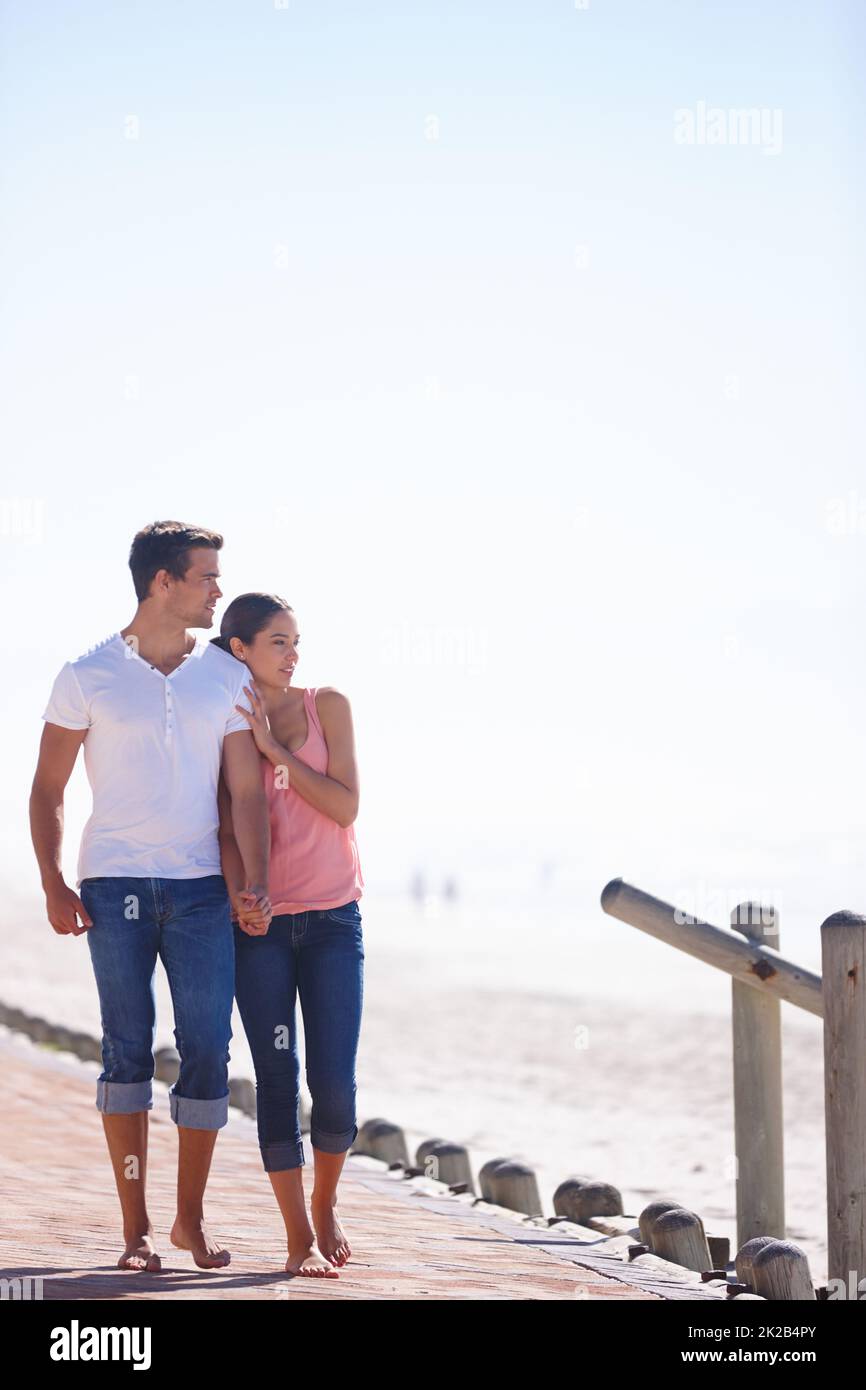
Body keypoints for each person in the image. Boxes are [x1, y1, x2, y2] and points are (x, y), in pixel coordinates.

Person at [28, 520, 271, 1274]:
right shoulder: (86, 674)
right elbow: (46, 788)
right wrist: (53, 882)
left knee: (207, 1051)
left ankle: (187, 1223)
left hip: (200, 889)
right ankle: (134, 1231)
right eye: (206, 577)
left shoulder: (225, 677)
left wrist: (252, 882)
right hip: (115, 883)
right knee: (126, 1051)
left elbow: (244, 793)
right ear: (162, 582)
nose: (218, 592)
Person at [213, 593, 364, 1278]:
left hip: (333, 922)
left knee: (334, 1086)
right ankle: (298, 1236)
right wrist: (244, 898)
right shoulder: (225, 721)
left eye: (295, 641)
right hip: (262, 931)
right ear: (240, 648)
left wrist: (279, 750)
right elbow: (226, 822)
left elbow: (343, 805)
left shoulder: (325, 706)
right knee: (278, 1077)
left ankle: (326, 1200)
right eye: (278, 641)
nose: (292, 653)